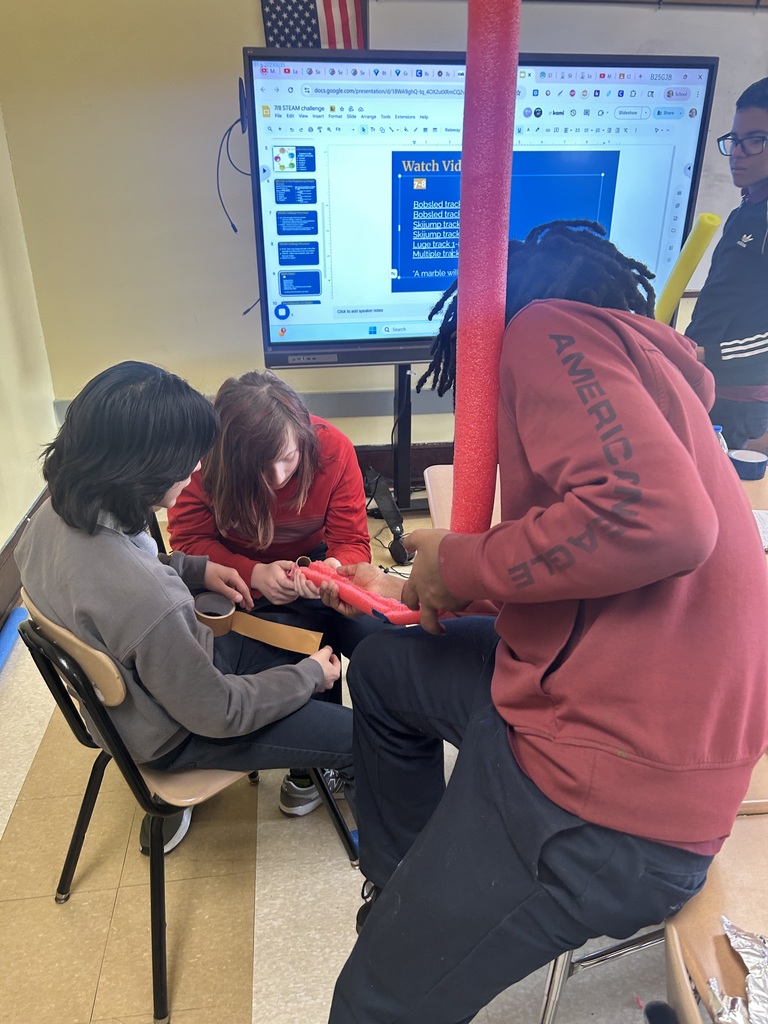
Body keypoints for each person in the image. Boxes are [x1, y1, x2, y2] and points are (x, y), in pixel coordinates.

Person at [309, 222, 768, 1024]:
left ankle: (418, 927)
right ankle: (407, 887)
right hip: (622, 727)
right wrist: (421, 579)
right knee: (385, 666)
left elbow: (650, 521)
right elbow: (594, 572)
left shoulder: (544, 325)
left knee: (371, 1004)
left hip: (604, 803)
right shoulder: (659, 390)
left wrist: (459, 560)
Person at [16, 361, 353, 855]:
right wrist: (306, 677)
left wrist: (195, 569)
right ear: (142, 469)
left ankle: (306, 751)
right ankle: (342, 781)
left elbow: (132, 566)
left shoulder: (48, 518)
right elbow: (220, 711)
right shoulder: (149, 600)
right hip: (179, 734)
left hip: (137, 707)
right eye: (185, 460)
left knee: (298, 639)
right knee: (361, 732)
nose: (196, 470)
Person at [167, 369, 386, 815]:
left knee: (381, 645)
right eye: (258, 468)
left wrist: (332, 570)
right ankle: (313, 758)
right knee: (294, 647)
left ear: (304, 437)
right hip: (241, 586)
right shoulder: (204, 463)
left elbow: (352, 541)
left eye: (286, 458)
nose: (277, 477)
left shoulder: (333, 448)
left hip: (319, 568)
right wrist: (252, 572)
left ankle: (373, 754)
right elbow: (188, 543)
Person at [686, 76, 768, 450]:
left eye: (754, 141)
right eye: (734, 140)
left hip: (741, 402)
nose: (737, 152)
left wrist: (708, 354)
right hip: (708, 381)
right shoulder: (749, 205)